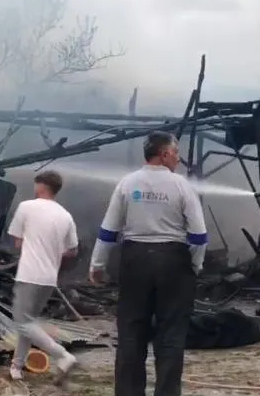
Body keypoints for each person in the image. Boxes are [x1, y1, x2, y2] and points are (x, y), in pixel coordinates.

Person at [89, 131, 208, 396]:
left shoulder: (127, 183)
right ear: (164, 154)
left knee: (131, 332)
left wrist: (97, 265)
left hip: (134, 260)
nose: (178, 158)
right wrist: (194, 266)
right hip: (174, 261)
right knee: (171, 335)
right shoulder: (182, 186)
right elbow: (199, 236)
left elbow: (108, 231)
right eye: (176, 153)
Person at [6, 170, 79, 382]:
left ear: (40, 186)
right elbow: (72, 250)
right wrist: (53, 251)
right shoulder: (65, 215)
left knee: (22, 322)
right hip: (48, 278)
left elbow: (17, 242)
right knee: (28, 323)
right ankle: (17, 367)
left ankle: (63, 356)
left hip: (29, 274)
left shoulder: (26, 207)